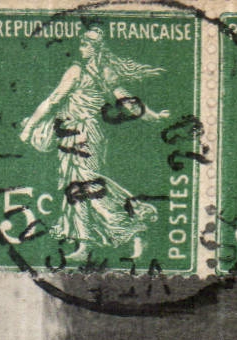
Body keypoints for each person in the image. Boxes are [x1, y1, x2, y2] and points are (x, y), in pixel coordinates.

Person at [19, 27, 169, 258]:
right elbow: (129, 103)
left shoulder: (76, 71)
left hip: (81, 134)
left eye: (85, 44)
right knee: (75, 185)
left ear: (95, 48)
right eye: (81, 44)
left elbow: (53, 101)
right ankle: (84, 242)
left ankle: (134, 224)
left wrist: (29, 128)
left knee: (89, 186)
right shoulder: (105, 72)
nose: (81, 48)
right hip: (82, 133)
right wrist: (154, 116)